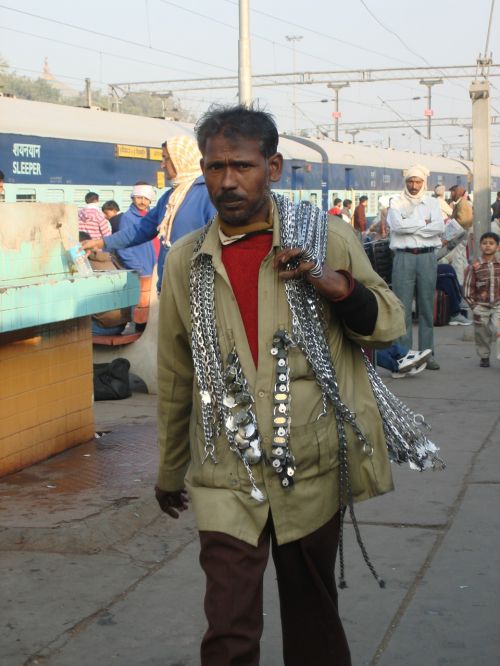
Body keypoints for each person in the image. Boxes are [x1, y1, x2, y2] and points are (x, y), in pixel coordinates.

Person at [154, 104, 405, 666]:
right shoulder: (186, 262)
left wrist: (337, 287)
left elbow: (389, 323)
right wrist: (171, 471)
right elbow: (177, 375)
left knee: (312, 621)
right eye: (215, 168)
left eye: (241, 166)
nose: (226, 181)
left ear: (273, 166)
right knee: (228, 630)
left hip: (310, 469)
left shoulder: (328, 238)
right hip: (226, 470)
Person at [82, 136, 215, 292]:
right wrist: (101, 243)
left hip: (197, 290)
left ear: (181, 159)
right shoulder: (170, 197)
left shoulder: (208, 194)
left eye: (166, 159)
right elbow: (140, 230)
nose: (162, 165)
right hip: (169, 287)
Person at [387, 164, 444, 370]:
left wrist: (411, 223)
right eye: (410, 181)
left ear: (424, 183)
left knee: (426, 308)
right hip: (404, 257)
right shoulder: (396, 201)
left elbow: (439, 226)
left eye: (417, 181)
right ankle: (405, 354)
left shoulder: (432, 202)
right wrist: (424, 224)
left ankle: (428, 354)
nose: (413, 185)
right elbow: (397, 226)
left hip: (427, 258)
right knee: (402, 308)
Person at [463, 231, 500, 367]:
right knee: (482, 332)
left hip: (498, 305)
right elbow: (468, 288)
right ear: (480, 246)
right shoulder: (475, 267)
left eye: (491, 243)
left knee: (499, 331)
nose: (488, 246)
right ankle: (484, 356)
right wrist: (474, 306)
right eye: (485, 243)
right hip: (481, 306)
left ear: (498, 247)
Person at [114, 183, 156, 277]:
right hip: (144, 272)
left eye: (146, 198)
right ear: (133, 198)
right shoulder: (128, 218)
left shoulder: (153, 216)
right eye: (139, 198)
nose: (142, 202)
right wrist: (139, 268)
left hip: (156, 269)